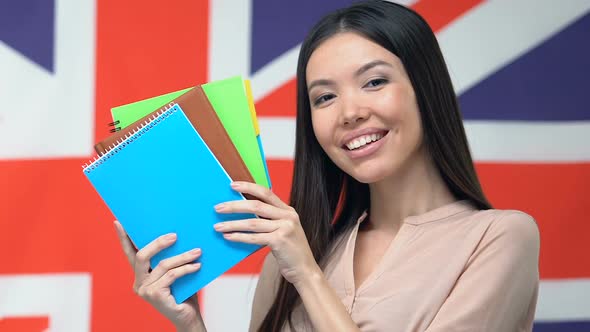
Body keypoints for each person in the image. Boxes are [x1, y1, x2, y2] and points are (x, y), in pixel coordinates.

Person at [113, 1, 540, 331]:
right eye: (324, 97)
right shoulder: (295, 250)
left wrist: (308, 276)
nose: (349, 112)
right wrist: (191, 324)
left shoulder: (500, 237)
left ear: (425, 89)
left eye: (374, 81)